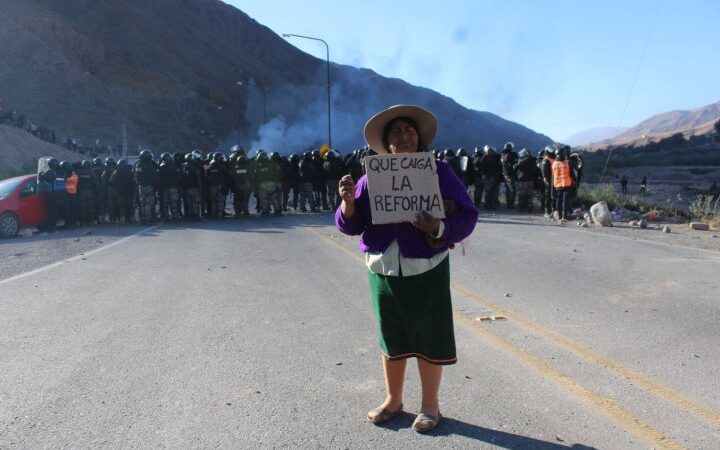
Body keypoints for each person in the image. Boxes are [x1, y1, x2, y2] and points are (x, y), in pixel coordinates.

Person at [335, 105, 478, 433]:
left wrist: (439, 228)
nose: (404, 136)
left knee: (429, 338)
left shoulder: (438, 172)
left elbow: (467, 215)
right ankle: (393, 399)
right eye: (396, 131)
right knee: (392, 336)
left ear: (419, 138)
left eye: (409, 130)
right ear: (386, 142)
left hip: (426, 267)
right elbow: (351, 224)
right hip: (383, 269)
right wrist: (348, 203)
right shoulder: (371, 177)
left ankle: (430, 406)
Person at [552, 146, 575, 221]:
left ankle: (559, 215)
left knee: (558, 200)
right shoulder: (568, 162)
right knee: (565, 200)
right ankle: (565, 216)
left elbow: (553, 175)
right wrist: (574, 181)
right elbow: (572, 174)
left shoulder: (554, 163)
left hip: (557, 184)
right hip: (567, 184)